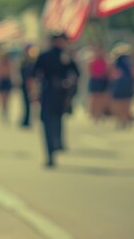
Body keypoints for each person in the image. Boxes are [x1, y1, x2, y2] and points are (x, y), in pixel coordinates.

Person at [31, 33, 79, 168]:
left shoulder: (63, 55)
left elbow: (75, 73)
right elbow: (35, 74)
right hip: (53, 92)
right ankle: (52, 149)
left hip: (56, 93)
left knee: (53, 121)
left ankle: (53, 148)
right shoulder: (51, 55)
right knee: (51, 121)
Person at [110, 42, 134, 129]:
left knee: (119, 102)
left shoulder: (117, 60)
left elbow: (114, 72)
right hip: (127, 82)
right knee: (126, 103)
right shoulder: (129, 60)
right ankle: (124, 120)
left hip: (120, 82)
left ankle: (121, 120)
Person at [87, 45, 110, 123]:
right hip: (95, 80)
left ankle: (99, 113)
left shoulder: (105, 61)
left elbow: (107, 71)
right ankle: (94, 114)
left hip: (102, 81)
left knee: (101, 99)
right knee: (94, 98)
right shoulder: (92, 61)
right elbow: (91, 71)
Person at [0, 48, 14, 123]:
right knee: (2, 98)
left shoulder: (8, 62)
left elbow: (11, 72)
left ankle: (5, 110)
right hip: (2, 80)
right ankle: (4, 110)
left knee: (6, 98)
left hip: (6, 80)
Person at [19, 43, 38, 128]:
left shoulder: (31, 62)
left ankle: (28, 119)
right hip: (25, 84)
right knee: (26, 103)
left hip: (29, 84)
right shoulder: (24, 61)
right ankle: (26, 119)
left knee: (29, 103)